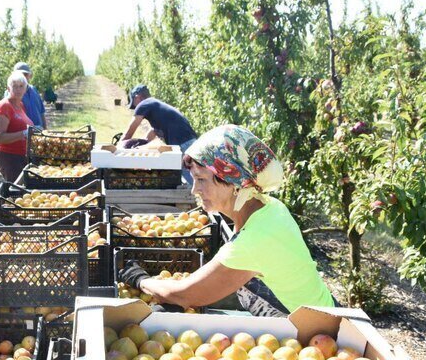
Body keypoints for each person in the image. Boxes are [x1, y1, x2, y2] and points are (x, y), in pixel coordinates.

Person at [119, 124, 335, 317]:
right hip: (322, 316)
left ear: (236, 183)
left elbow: (185, 295)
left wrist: (141, 280)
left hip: (315, 339)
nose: (195, 190)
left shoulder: (254, 240)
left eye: (201, 179)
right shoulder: (268, 208)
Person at [120, 84, 199, 184]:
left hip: (182, 144)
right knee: (194, 179)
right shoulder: (155, 105)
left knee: (193, 182)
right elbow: (153, 131)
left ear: (137, 97)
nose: (135, 107)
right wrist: (142, 145)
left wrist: (117, 149)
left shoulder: (143, 104)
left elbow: (128, 134)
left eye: (134, 104)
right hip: (190, 141)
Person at [0, 71, 35, 182]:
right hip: (10, 158)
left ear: (26, 89)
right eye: (14, 86)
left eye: (21, 86)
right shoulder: (5, 106)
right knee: (16, 193)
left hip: (22, 157)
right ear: (8, 88)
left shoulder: (20, 105)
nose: (18, 89)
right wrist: (24, 134)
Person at [13, 62, 47, 129]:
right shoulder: (12, 93)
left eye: (25, 74)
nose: (23, 77)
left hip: (39, 133)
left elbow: (41, 112)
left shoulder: (34, 90)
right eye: (20, 74)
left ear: (29, 76)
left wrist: (45, 130)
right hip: (23, 136)